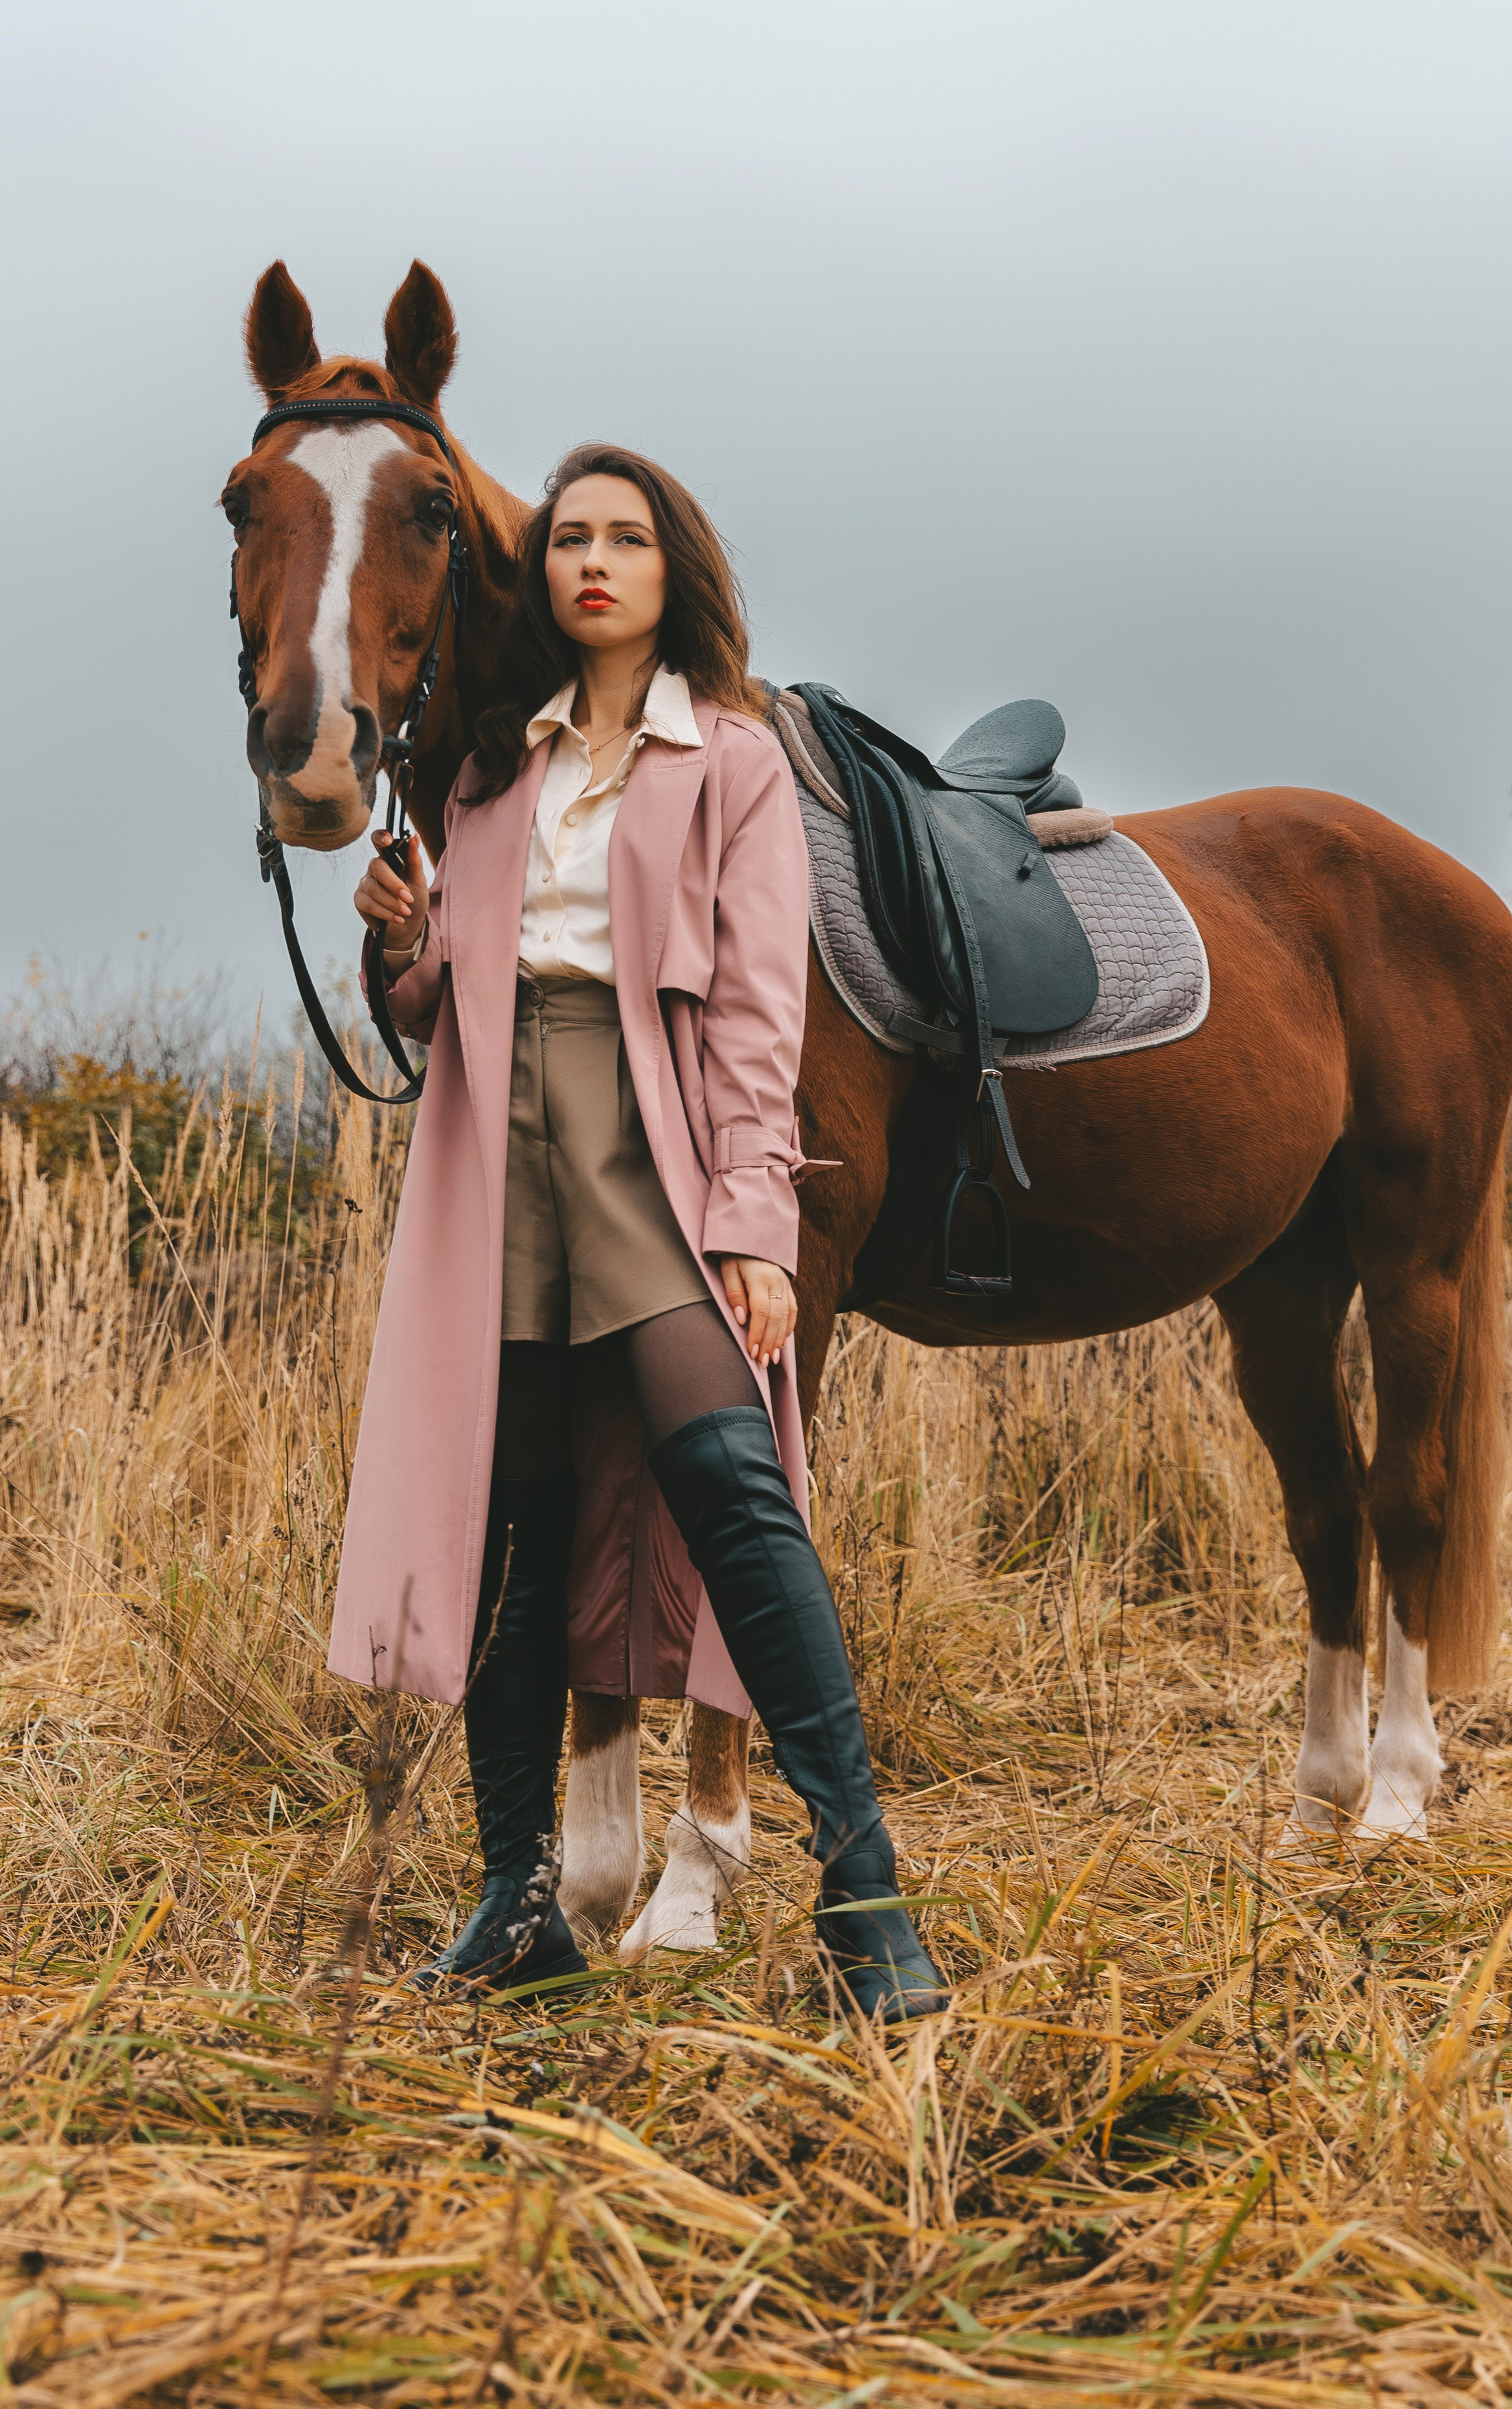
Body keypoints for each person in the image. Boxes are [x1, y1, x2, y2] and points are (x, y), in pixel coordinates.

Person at [336, 442, 947, 2020]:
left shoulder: (730, 762)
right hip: (494, 1162)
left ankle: (864, 1889)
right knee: (513, 1532)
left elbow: (757, 1015)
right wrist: (399, 951)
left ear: (675, 569)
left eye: (626, 539)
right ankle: (511, 1896)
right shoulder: (488, 770)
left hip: (648, 1147)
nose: (591, 562)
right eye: (567, 542)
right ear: (538, 578)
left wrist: (752, 1219)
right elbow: (444, 1010)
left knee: (734, 1489)